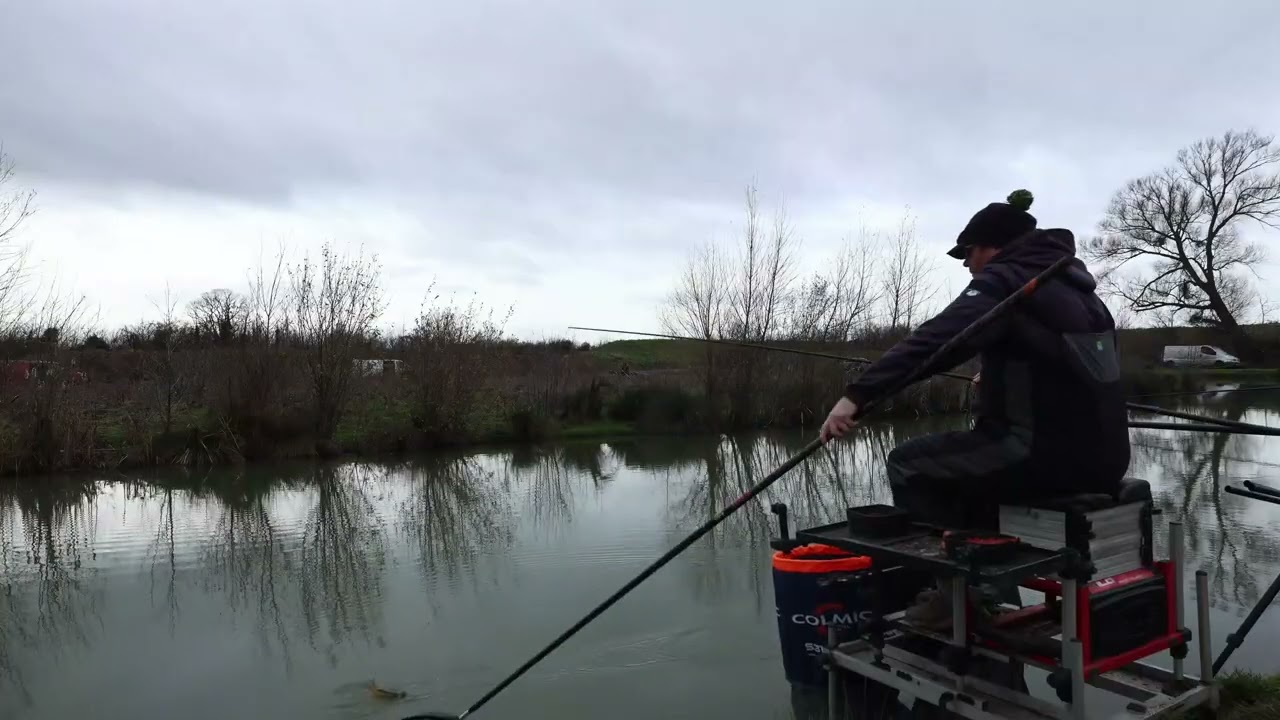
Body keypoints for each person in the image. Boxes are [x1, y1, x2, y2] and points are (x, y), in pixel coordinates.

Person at [819, 190, 1130, 626]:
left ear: (992, 247)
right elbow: (1068, 362)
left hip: (1041, 453)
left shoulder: (1008, 279)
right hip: (1108, 458)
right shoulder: (1076, 289)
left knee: (909, 465)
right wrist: (998, 376)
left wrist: (856, 396)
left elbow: (940, 340)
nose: (966, 264)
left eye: (968, 253)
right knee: (967, 468)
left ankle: (954, 597)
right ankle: (986, 583)